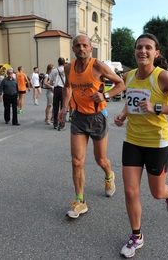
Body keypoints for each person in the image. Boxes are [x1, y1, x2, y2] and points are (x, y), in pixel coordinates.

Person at [113, 33, 168, 258]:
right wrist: (122, 115)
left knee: (156, 192)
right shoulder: (129, 76)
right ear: (134, 51)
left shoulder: (164, 77)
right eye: (139, 47)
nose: (143, 51)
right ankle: (136, 236)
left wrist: (157, 108)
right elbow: (132, 104)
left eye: (148, 48)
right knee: (130, 192)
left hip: (157, 143)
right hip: (132, 141)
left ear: (155, 53)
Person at [57, 35, 125, 219]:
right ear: (73, 49)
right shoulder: (69, 67)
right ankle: (80, 201)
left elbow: (121, 84)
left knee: (100, 159)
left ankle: (109, 176)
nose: (81, 48)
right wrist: (64, 107)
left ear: (91, 48)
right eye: (77, 45)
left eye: (84, 45)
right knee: (77, 161)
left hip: (97, 118)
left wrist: (106, 96)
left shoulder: (98, 66)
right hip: (78, 117)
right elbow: (68, 87)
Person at [49, 58, 67, 131]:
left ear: (58, 63)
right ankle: (62, 124)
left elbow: (51, 82)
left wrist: (52, 88)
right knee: (63, 107)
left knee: (55, 106)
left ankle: (55, 123)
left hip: (56, 88)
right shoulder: (66, 70)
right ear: (64, 63)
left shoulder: (54, 70)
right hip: (64, 88)